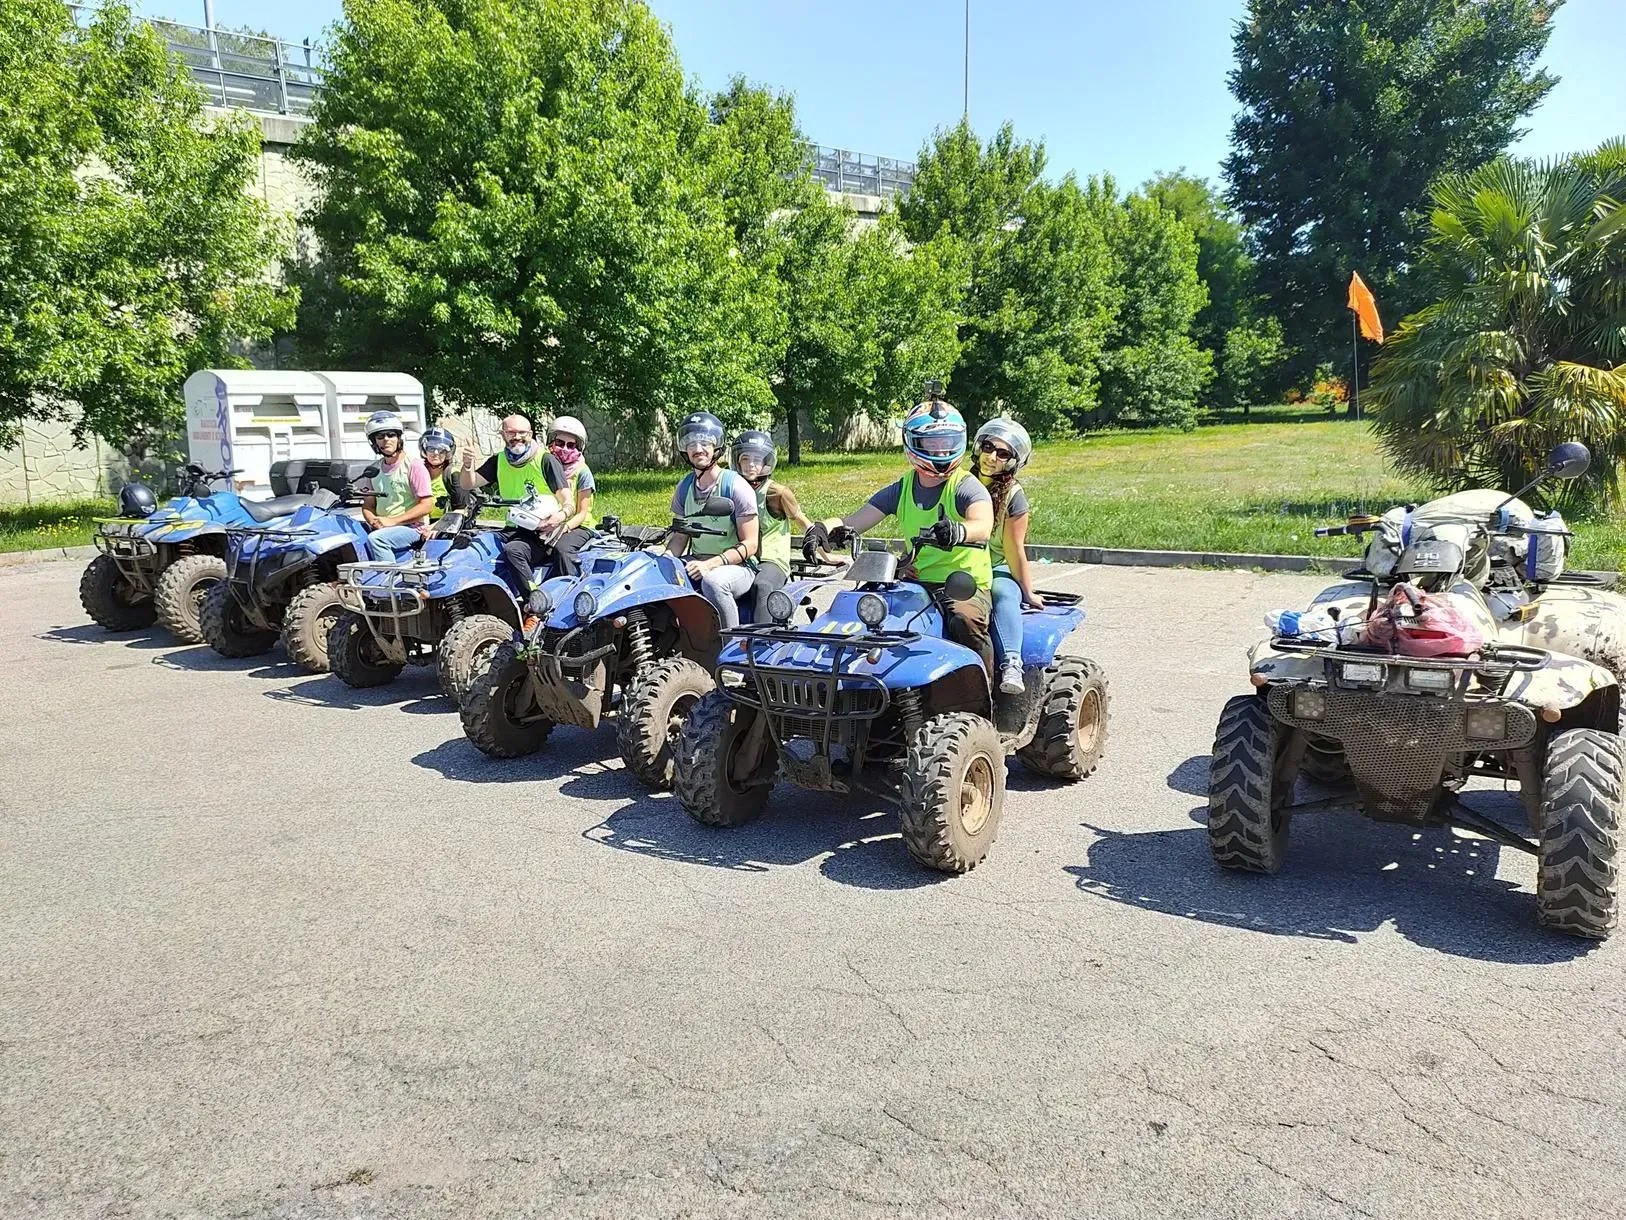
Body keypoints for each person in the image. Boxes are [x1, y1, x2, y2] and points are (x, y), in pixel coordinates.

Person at [808, 401, 995, 678]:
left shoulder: (965, 485)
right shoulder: (902, 488)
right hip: (915, 579)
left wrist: (959, 531)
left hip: (962, 585)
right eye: (932, 445)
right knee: (864, 613)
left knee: (965, 619)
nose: (941, 451)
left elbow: (983, 524)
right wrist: (822, 529)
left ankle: (983, 691)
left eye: (947, 443)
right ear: (913, 444)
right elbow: (855, 521)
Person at [456, 413, 576, 621]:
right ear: (502, 434)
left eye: (522, 432)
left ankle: (536, 605)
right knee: (474, 546)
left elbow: (568, 501)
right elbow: (468, 484)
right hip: (512, 528)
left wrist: (560, 515)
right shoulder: (499, 460)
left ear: (530, 434)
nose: (517, 437)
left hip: (540, 533)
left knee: (514, 551)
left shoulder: (545, 460)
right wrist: (467, 466)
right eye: (511, 432)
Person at [666, 412, 759, 631]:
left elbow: (751, 544)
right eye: (691, 443)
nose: (698, 449)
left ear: (716, 446)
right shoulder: (684, 487)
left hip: (738, 567)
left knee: (714, 583)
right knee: (652, 572)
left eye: (705, 442)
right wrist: (666, 557)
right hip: (696, 560)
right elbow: (680, 535)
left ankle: (731, 649)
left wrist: (711, 565)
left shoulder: (735, 486)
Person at [973, 418, 1043, 695]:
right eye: (988, 447)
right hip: (957, 564)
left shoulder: (1013, 495)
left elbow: (1014, 549)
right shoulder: (959, 483)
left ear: (1015, 461)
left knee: (1003, 593)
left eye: (1003, 454)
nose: (992, 457)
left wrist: (1027, 591)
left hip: (995, 566)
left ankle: (1012, 661)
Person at [728, 430, 821, 624]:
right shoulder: (731, 489)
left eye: (757, 459)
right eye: (745, 459)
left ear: (767, 462)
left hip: (771, 560)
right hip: (741, 556)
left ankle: (761, 641)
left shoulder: (777, 493)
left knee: (762, 585)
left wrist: (823, 551)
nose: (751, 464)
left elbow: (803, 522)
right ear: (737, 461)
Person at [360, 411, 436, 563]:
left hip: (412, 528)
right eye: (380, 437)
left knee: (377, 540)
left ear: (399, 437)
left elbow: (427, 505)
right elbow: (368, 505)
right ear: (374, 442)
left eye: (390, 435)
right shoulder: (373, 470)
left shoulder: (414, 466)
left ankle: (388, 582)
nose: (386, 440)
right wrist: (374, 521)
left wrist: (393, 521)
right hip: (385, 526)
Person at [417, 426, 466, 523]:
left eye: (441, 449)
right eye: (431, 448)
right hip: (418, 525)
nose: (436, 453)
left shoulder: (453, 474)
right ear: (424, 449)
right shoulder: (415, 471)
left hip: (446, 527)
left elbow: (462, 509)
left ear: (448, 452)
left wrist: (437, 527)